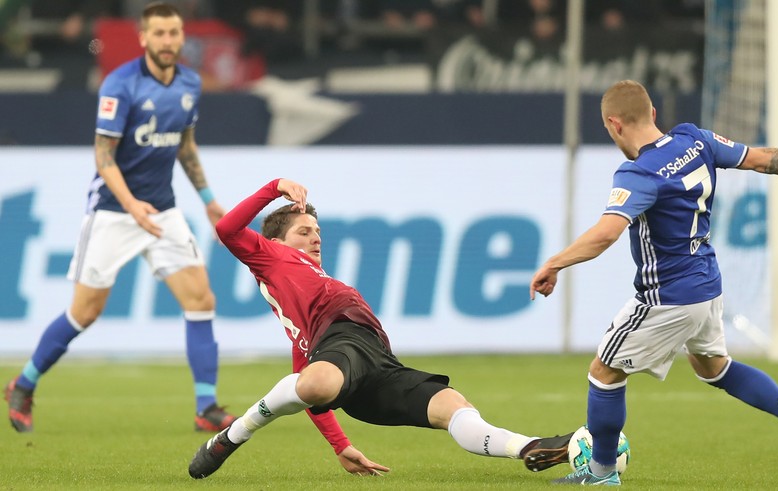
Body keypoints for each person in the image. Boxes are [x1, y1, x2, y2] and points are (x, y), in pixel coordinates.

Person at [528, 80, 778, 485]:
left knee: (604, 372)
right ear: (653, 113)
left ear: (614, 125)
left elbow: (606, 233)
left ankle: (600, 473)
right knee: (714, 367)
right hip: (707, 283)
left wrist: (555, 263)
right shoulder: (695, 139)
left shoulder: (638, 172)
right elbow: (763, 159)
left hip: (667, 295)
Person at [186, 178, 571, 478]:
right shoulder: (271, 258)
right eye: (304, 231)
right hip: (345, 345)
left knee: (453, 406)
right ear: (271, 243)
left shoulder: (307, 301)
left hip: (378, 364)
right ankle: (236, 434)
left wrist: (341, 446)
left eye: (318, 231)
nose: (316, 237)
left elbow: (304, 382)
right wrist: (274, 187)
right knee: (313, 383)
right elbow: (227, 229)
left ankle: (530, 446)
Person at [4, 2, 235, 434]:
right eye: (160, 33)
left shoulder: (189, 82)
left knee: (201, 300)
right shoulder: (121, 84)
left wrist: (207, 198)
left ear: (182, 36)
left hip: (162, 209)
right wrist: (131, 206)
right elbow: (104, 155)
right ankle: (24, 383)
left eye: (174, 33)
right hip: (113, 210)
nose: (168, 40)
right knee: (85, 313)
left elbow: (184, 145)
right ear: (144, 38)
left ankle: (206, 407)